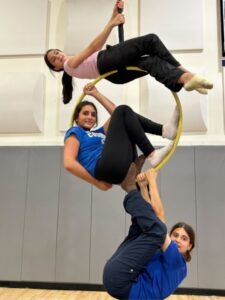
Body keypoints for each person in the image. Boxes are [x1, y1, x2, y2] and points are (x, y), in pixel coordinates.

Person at [44, 0, 213, 104]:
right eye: (54, 59)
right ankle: (188, 73)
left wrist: (114, 15)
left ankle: (185, 80)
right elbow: (93, 48)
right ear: (57, 68)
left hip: (114, 75)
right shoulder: (69, 65)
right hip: (106, 62)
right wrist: (112, 24)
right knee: (150, 40)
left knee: (150, 63)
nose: (58, 56)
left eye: (57, 52)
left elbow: (98, 45)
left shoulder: (73, 66)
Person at [103, 161, 195, 300]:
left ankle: (130, 187)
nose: (177, 239)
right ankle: (134, 186)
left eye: (184, 238)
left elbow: (158, 220)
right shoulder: (162, 254)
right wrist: (143, 187)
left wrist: (152, 182)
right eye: (175, 235)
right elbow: (152, 217)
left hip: (120, 282)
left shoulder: (178, 262)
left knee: (157, 229)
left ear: (190, 246)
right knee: (145, 227)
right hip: (119, 277)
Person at [64, 83, 179, 191]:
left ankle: (164, 130)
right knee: (123, 110)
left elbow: (116, 112)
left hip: (120, 169)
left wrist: (96, 93)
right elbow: (69, 163)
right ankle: (152, 153)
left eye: (93, 115)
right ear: (76, 118)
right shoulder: (75, 132)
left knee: (126, 116)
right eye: (85, 113)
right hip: (104, 168)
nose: (90, 117)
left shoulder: (100, 132)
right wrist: (97, 183)